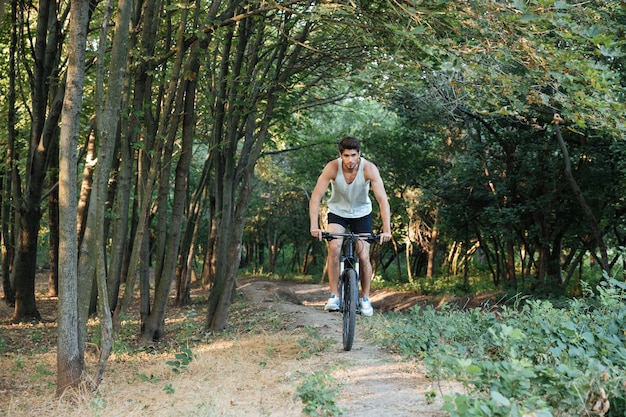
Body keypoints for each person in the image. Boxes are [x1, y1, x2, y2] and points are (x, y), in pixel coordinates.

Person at [309, 136, 392, 316]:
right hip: (338, 212)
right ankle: (333, 296)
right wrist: (314, 226)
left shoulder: (369, 169)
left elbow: (382, 200)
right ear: (341, 155)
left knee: (363, 255)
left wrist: (387, 229)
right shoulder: (332, 168)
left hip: (362, 213)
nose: (350, 160)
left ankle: (365, 298)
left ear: (359, 154)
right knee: (335, 247)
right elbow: (316, 197)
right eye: (346, 155)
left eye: (354, 155)